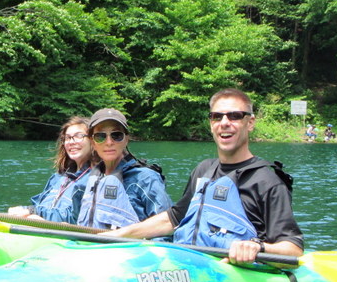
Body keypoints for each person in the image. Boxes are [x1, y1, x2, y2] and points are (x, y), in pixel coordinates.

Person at [103, 89, 303, 264]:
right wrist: (117, 235)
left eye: (234, 116)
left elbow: (293, 249)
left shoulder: (267, 181)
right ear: (211, 123)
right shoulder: (203, 170)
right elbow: (172, 220)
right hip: (189, 268)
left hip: (233, 277)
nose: (224, 123)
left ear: (249, 123)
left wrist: (258, 248)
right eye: (217, 116)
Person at [77, 108, 171, 229]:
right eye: (100, 136)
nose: (109, 142)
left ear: (126, 139)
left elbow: (165, 225)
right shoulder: (89, 178)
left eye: (116, 135)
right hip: (90, 246)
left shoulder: (146, 178)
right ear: (93, 142)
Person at [8, 116, 93, 223]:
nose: (71, 142)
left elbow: (75, 218)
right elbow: (37, 205)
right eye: (67, 138)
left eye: (79, 136)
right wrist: (23, 210)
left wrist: (34, 212)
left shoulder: (95, 179)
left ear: (93, 140)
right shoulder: (58, 177)